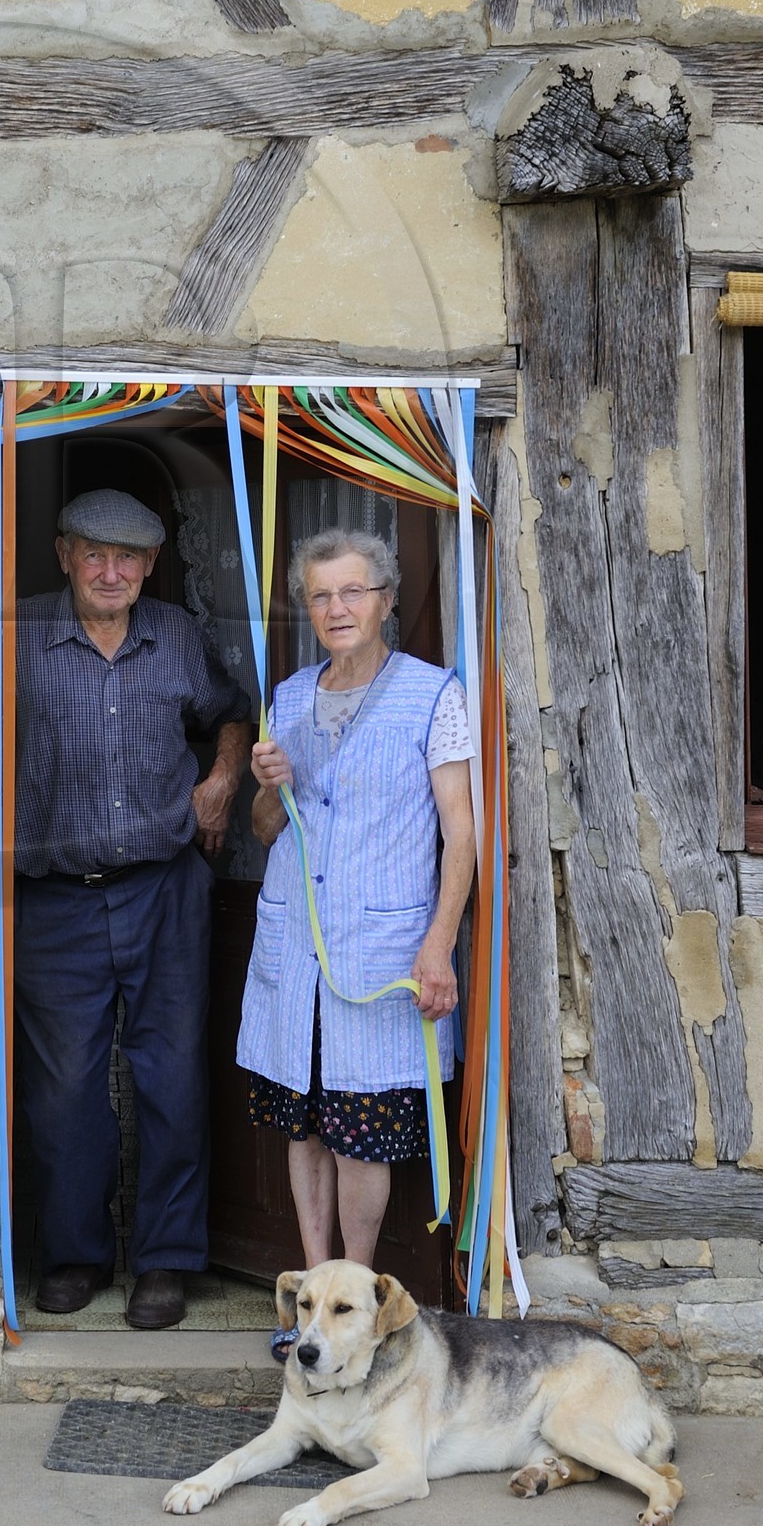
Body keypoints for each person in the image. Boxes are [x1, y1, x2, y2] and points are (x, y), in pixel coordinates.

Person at [15, 488, 252, 1331]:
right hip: (53, 898)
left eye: (128, 558)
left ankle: (165, 1260)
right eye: (94, 554)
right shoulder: (18, 637)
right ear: (64, 555)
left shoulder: (176, 635)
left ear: (151, 565)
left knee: (173, 1076)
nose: (110, 572)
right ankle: (75, 1253)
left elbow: (231, 714)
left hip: (164, 889)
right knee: (63, 1092)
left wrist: (222, 780)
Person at [238, 526, 475, 1323]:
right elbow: (267, 828)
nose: (336, 608)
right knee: (304, 1126)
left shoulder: (433, 695)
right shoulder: (289, 697)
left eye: (352, 592)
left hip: (382, 952)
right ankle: (313, 1295)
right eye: (320, 596)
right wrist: (269, 785)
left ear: (386, 600)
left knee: (360, 1130)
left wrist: (438, 945)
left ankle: (355, 1301)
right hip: (295, 952)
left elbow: (461, 832)